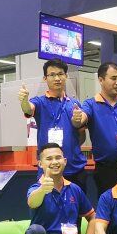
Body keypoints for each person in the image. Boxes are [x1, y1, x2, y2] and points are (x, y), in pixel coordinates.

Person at [72, 62, 117, 196]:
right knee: (109, 204)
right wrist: (77, 119)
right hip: (106, 169)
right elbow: (82, 118)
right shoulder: (90, 104)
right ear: (101, 80)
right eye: (113, 78)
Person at [18, 59, 87, 192]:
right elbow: (28, 109)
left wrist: (72, 144)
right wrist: (24, 101)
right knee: (49, 203)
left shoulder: (74, 104)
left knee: (77, 204)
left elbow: (81, 134)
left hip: (75, 168)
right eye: (52, 75)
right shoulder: (39, 102)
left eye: (60, 74)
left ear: (66, 76)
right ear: (45, 78)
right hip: (49, 169)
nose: (57, 78)